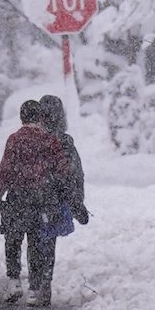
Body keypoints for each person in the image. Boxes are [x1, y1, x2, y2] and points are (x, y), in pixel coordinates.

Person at [0, 98, 71, 307]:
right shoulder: (50, 140)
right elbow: (62, 169)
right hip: (41, 201)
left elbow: (6, 169)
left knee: (13, 239)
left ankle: (14, 280)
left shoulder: (15, 139)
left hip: (17, 198)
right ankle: (34, 289)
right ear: (41, 117)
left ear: (22, 117)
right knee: (36, 244)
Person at [35, 92, 91, 288]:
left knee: (34, 242)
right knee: (49, 242)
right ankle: (45, 280)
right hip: (56, 201)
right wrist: (77, 203)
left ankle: (35, 282)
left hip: (33, 200)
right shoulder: (65, 142)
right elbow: (76, 175)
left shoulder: (32, 140)